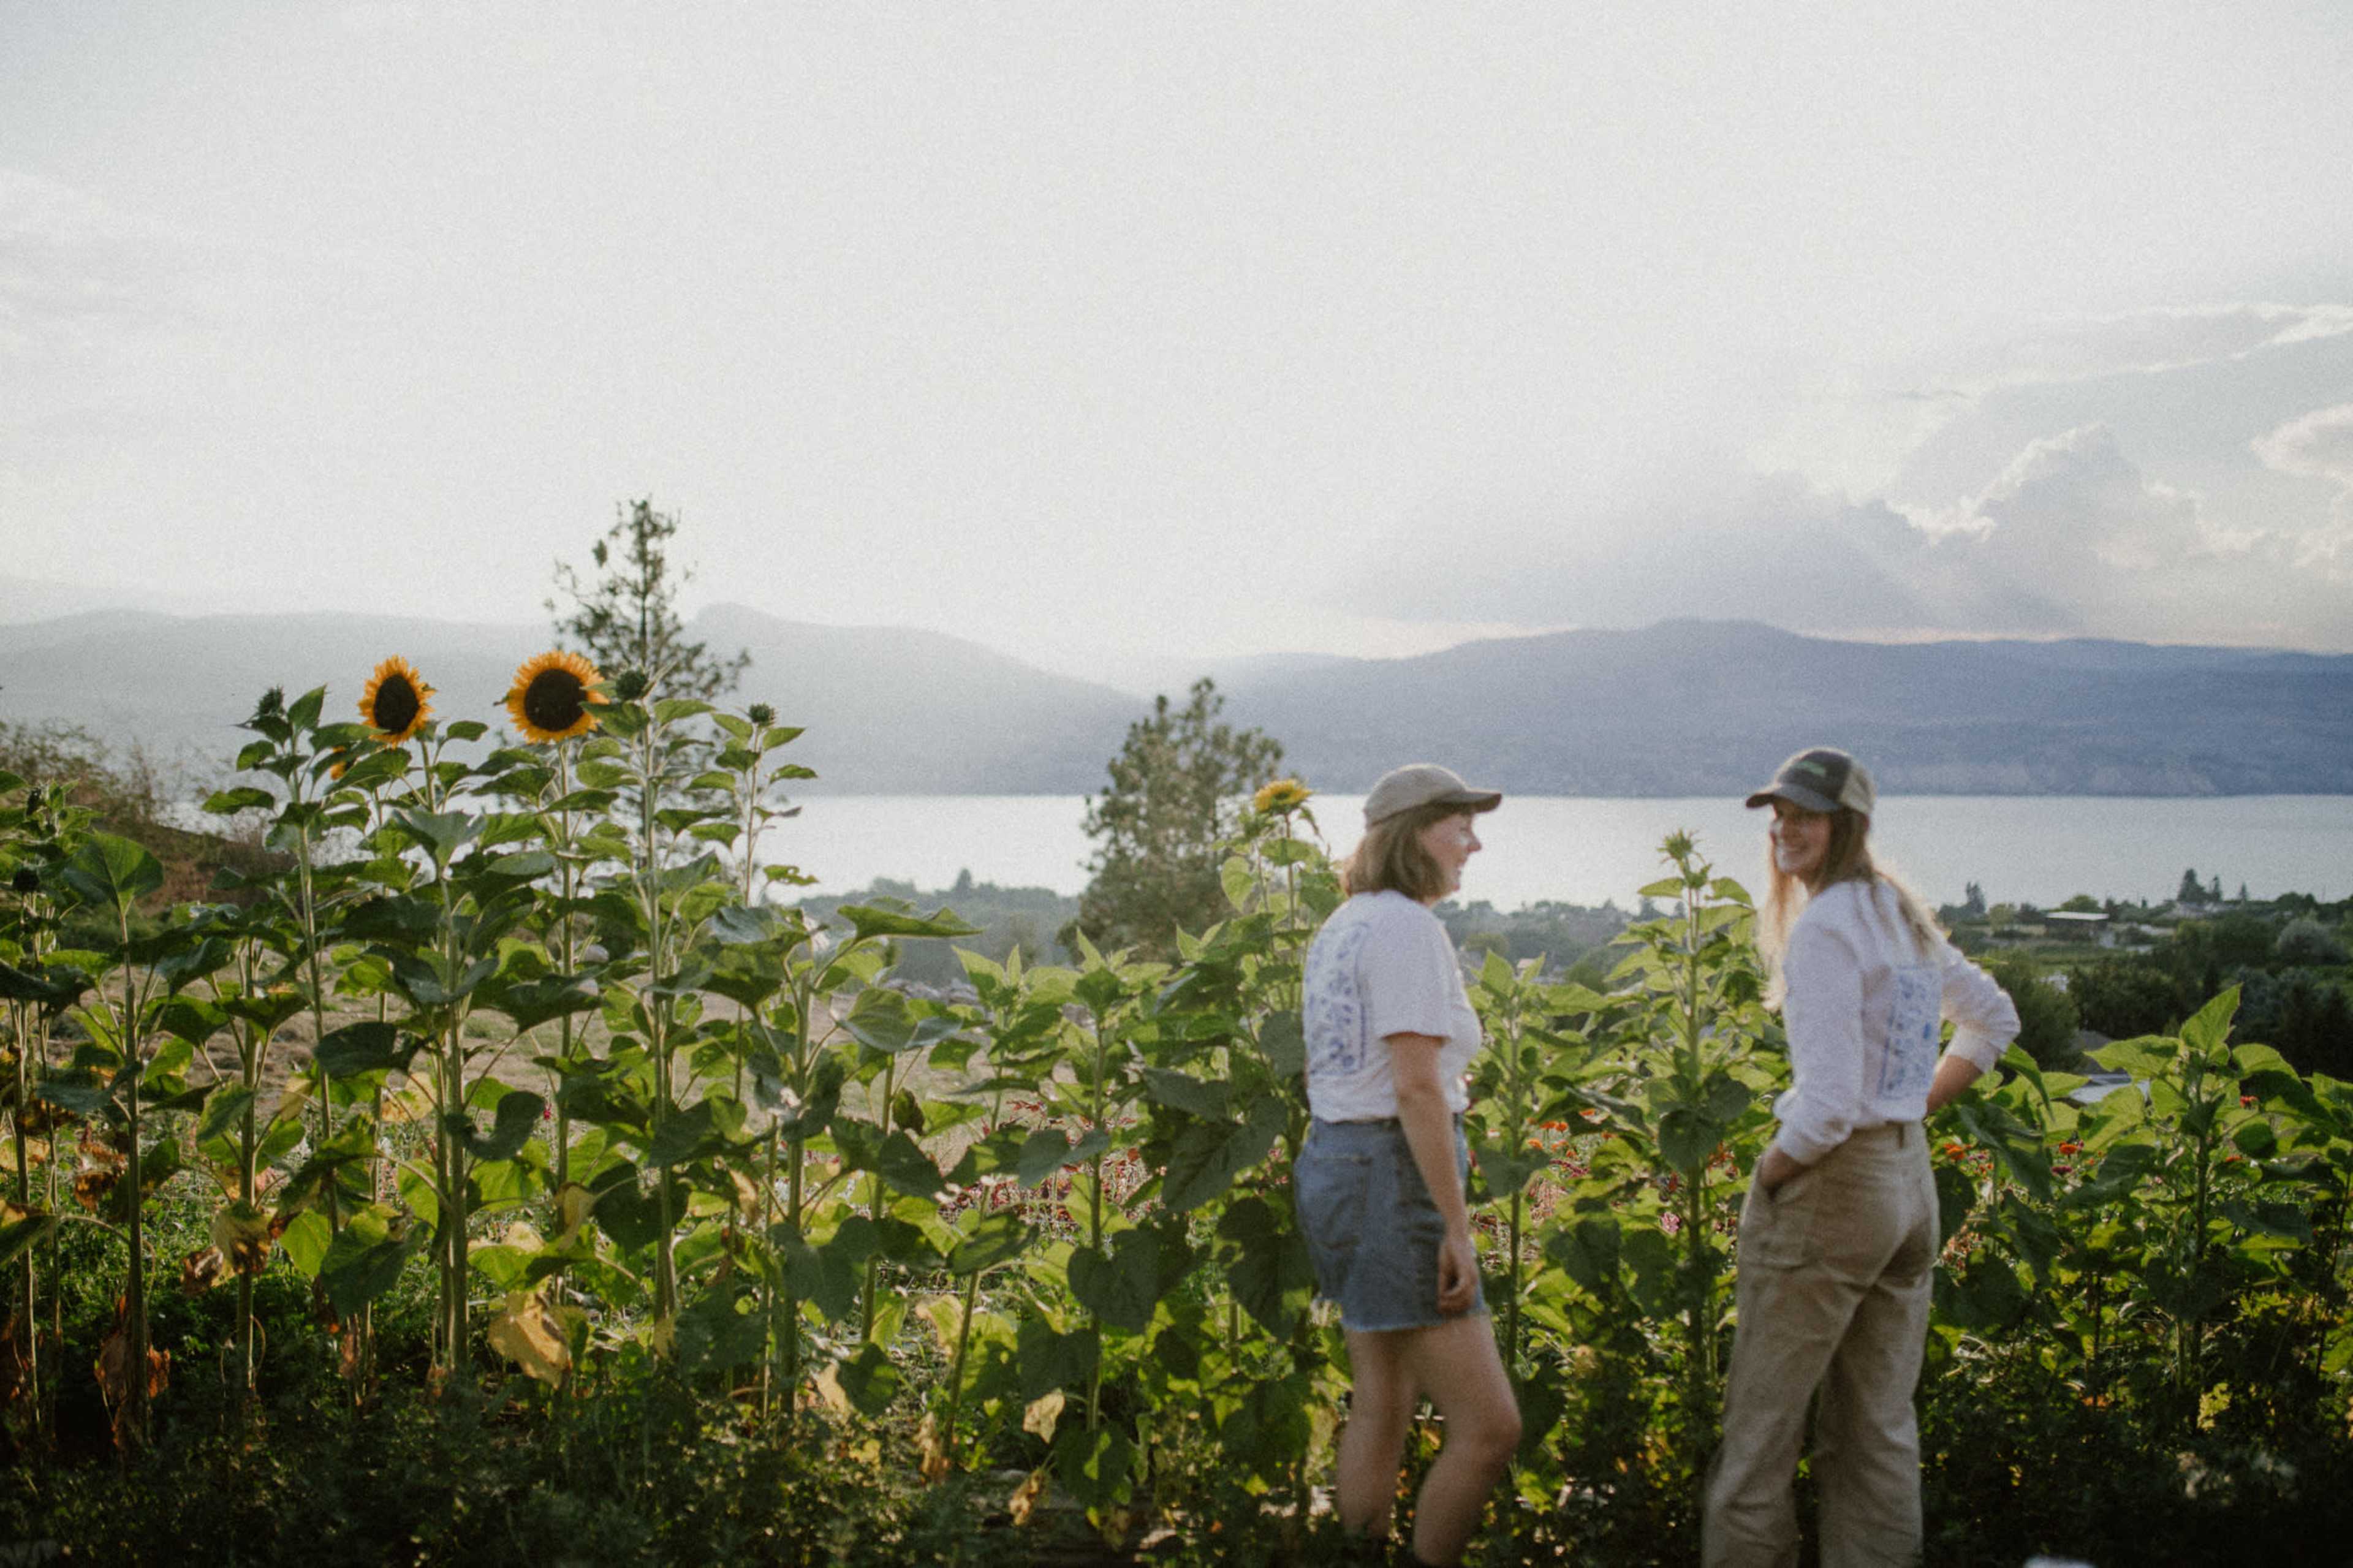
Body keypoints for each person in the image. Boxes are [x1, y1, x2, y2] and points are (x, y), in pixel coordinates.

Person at [1703, 747, 2021, 1568]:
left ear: (1847, 826)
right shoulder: (1897, 914)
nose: (1782, 829)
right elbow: (1993, 1021)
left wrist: (1773, 1170)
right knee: (1876, 1430)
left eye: (1803, 815)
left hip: (1834, 1186)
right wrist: (1910, 1110)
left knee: (1759, 1442)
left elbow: (1831, 1101)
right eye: (1777, 813)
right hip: (1905, 1186)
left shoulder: (1825, 930)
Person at [1294, 763, 1523, 1568]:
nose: (1474, 843)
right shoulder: (1404, 930)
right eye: (1459, 825)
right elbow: (1419, 1087)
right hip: (1394, 1178)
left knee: (1383, 1403)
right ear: (1412, 834)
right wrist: (1456, 1227)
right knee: (1491, 1428)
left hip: (1337, 1166)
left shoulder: (1345, 925)